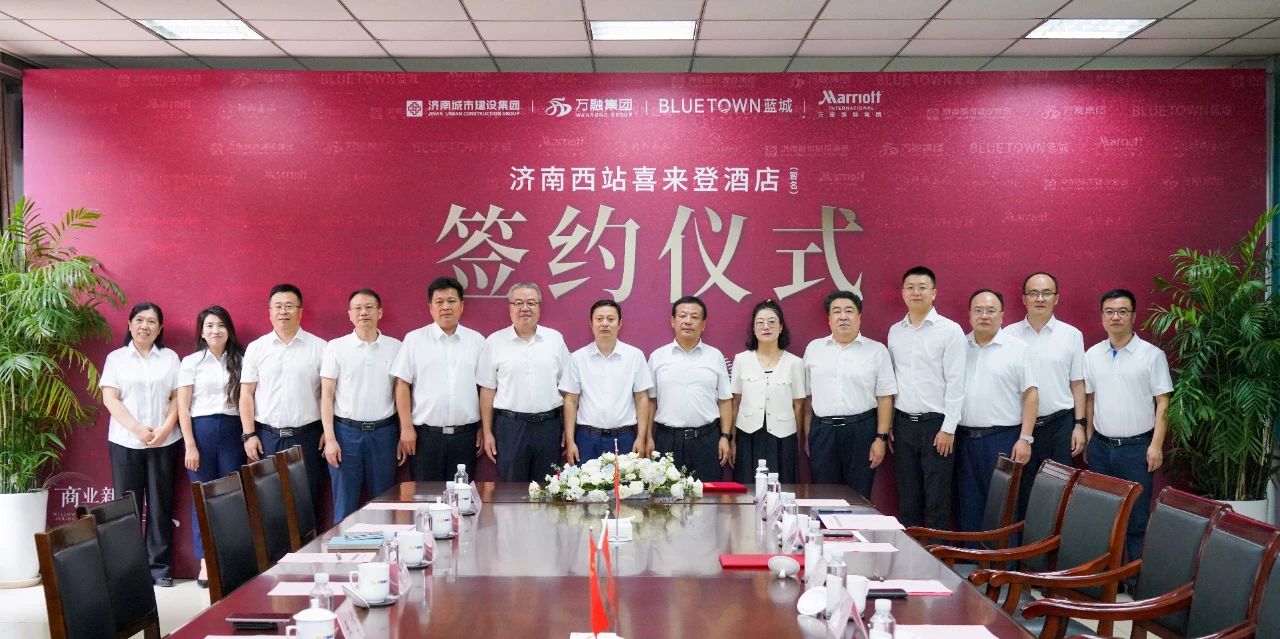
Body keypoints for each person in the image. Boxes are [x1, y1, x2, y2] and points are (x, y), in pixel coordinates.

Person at [1084, 289, 1172, 566]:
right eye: (1109, 312)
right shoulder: (1092, 354)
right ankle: (1105, 577)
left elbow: (1163, 402)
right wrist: (1088, 438)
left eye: (1122, 312)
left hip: (1137, 449)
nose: (1116, 317)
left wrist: (1156, 445)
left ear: (1134, 316)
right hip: (1100, 448)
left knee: (1136, 519)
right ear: (1102, 317)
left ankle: (1133, 579)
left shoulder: (1151, 355)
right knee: (1102, 517)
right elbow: (1090, 398)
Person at [100, 301, 181, 587]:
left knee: (160, 506)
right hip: (125, 442)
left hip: (165, 441)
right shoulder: (116, 359)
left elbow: (178, 398)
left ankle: (159, 568)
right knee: (127, 508)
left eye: (151, 321)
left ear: (160, 328)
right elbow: (110, 398)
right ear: (130, 324)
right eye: (139, 320)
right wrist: (136, 429)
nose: (145, 326)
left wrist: (166, 428)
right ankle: (129, 571)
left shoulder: (170, 358)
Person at [240, 283, 327, 524]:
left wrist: (328, 432)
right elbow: (246, 393)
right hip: (267, 438)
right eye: (277, 306)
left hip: (308, 438)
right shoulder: (257, 348)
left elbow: (328, 394)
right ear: (269, 312)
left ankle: (308, 549)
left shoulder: (320, 347)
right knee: (270, 506)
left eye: (289, 306)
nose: (283, 312)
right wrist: (249, 435)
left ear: (300, 311)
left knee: (307, 504)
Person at [887, 266, 966, 529]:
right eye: (910, 287)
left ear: (934, 293)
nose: (916, 292)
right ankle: (910, 552)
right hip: (903, 425)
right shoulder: (895, 331)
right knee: (907, 498)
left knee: (937, 499)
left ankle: (936, 553)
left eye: (922, 287)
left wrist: (949, 428)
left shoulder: (950, 330)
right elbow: (893, 380)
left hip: (937, 426)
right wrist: (890, 423)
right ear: (902, 293)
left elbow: (956, 382)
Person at [1005, 272, 1087, 516]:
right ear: (1024, 299)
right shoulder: (1008, 334)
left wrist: (1079, 425)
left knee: (1057, 496)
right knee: (1020, 494)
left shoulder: (1072, 335)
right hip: (1019, 428)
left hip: (1059, 426)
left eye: (1046, 293)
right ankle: (1022, 541)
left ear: (1056, 298)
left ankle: (1054, 542)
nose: (1040, 298)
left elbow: (1077, 384)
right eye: (1033, 293)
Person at [176, 305, 246, 588]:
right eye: (209, 326)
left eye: (220, 325)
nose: (215, 331)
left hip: (232, 431)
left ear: (229, 330)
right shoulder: (191, 362)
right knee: (202, 498)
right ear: (202, 332)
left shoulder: (241, 360)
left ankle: (231, 560)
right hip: (201, 432)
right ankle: (206, 562)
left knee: (232, 497)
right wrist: (190, 445)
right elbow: (183, 407)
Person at [955, 289, 1037, 532]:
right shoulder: (957, 346)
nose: (984, 315)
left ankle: (1004, 557)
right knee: (968, 506)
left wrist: (1025, 438)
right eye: (978, 310)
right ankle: (972, 557)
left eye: (991, 310)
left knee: (1003, 508)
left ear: (1002, 315)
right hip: (963, 440)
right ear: (969, 315)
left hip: (1003, 440)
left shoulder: (1017, 349)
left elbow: (1031, 395)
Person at [802, 291, 896, 497]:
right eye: (836, 312)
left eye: (849, 311)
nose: (843, 316)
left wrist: (880, 438)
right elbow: (808, 399)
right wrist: (809, 436)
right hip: (823, 432)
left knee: (859, 497)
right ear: (829, 319)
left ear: (859, 317)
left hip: (861, 431)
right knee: (824, 497)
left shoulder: (876, 350)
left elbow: (885, 398)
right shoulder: (814, 349)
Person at [391, 277, 484, 481]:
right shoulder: (414, 340)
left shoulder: (477, 341)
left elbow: (484, 388)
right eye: (439, 302)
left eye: (451, 301)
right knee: (426, 495)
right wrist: (406, 427)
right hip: (425, 437)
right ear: (430, 308)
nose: (445, 307)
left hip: (466, 437)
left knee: (461, 496)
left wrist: (483, 428)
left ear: (462, 306)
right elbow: (402, 385)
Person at [321, 289, 402, 522]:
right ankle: (342, 547)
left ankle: (385, 546)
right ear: (350, 314)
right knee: (345, 506)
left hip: (384, 434)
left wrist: (402, 432)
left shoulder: (396, 347)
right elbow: (326, 395)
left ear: (380, 312)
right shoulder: (336, 347)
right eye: (357, 308)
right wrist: (330, 439)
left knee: (383, 505)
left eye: (369, 307)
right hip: (346, 434)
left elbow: (401, 393)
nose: (363, 312)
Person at [478, 283, 571, 482]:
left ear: (539, 307)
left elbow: (567, 389)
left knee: (548, 489)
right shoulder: (494, 342)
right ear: (510, 307)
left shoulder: (554, 339)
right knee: (512, 489)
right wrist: (487, 432)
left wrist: (567, 430)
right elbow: (487, 391)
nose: (525, 308)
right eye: (518, 303)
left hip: (549, 426)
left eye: (531, 303)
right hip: (511, 427)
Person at [648, 296, 733, 481]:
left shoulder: (715, 356)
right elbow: (651, 401)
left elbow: (725, 400)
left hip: (706, 440)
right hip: (667, 440)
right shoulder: (658, 357)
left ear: (703, 324)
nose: (688, 321)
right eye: (682, 316)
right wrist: (648, 436)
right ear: (673, 321)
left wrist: (725, 436)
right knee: (665, 495)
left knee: (708, 496)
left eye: (694, 317)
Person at [561, 300, 654, 464]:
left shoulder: (634, 356)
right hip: (587, 438)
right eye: (599, 319)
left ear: (620, 324)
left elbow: (641, 398)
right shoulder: (577, 358)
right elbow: (571, 400)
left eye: (610, 319)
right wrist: (570, 441)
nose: (605, 324)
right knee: (584, 481)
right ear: (591, 324)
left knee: (627, 481)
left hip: (625, 438)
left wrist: (641, 437)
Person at [730, 299, 805, 484]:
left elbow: (798, 406)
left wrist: (797, 441)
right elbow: (735, 403)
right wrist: (732, 439)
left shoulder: (795, 363)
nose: (766, 327)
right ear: (753, 328)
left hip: (783, 438)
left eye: (772, 322)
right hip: (748, 435)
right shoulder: (741, 360)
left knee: (783, 488)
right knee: (748, 488)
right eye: (760, 322)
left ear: (781, 327)